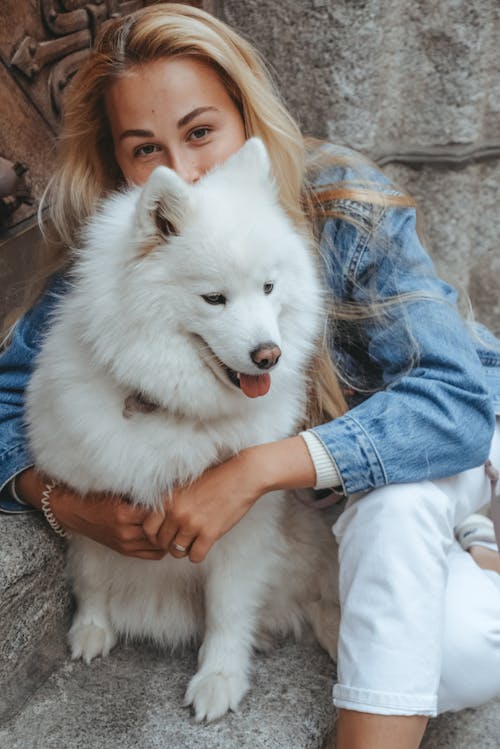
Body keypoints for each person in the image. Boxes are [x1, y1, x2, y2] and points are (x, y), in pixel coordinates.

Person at [1, 4, 499, 747]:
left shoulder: (343, 206)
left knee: (398, 506)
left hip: (442, 435)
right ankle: (475, 534)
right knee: (449, 653)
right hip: (345, 494)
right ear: (122, 168)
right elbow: (10, 400)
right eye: (147, 149)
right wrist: (60, 502)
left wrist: (253, 469)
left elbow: (457, 401)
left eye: (200, 131)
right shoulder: (128, 260)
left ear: (248, 116)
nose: (185, 168)